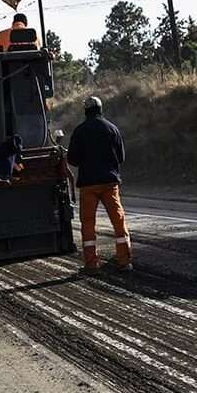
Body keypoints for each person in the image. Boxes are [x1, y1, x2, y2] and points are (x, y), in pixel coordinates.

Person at [66, 96, 131, 273]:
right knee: (118, 221)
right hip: (110, 183)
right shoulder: (112, 129)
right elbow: (121, 157)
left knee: (88, 223)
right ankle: (124, 261)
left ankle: (91, 264)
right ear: (101, 109)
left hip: (88, 184)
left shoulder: (79, 131)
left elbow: (72, 159)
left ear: (85, 111)